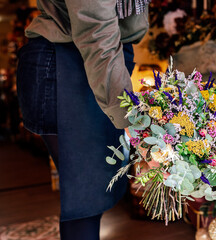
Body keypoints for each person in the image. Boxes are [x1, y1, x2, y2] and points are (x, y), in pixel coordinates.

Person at [16, 0, 150, 239]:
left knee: (90, 200)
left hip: (89, 65)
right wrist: (133, 122)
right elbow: (96, 33)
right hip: (71, 67)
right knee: (85, 201)